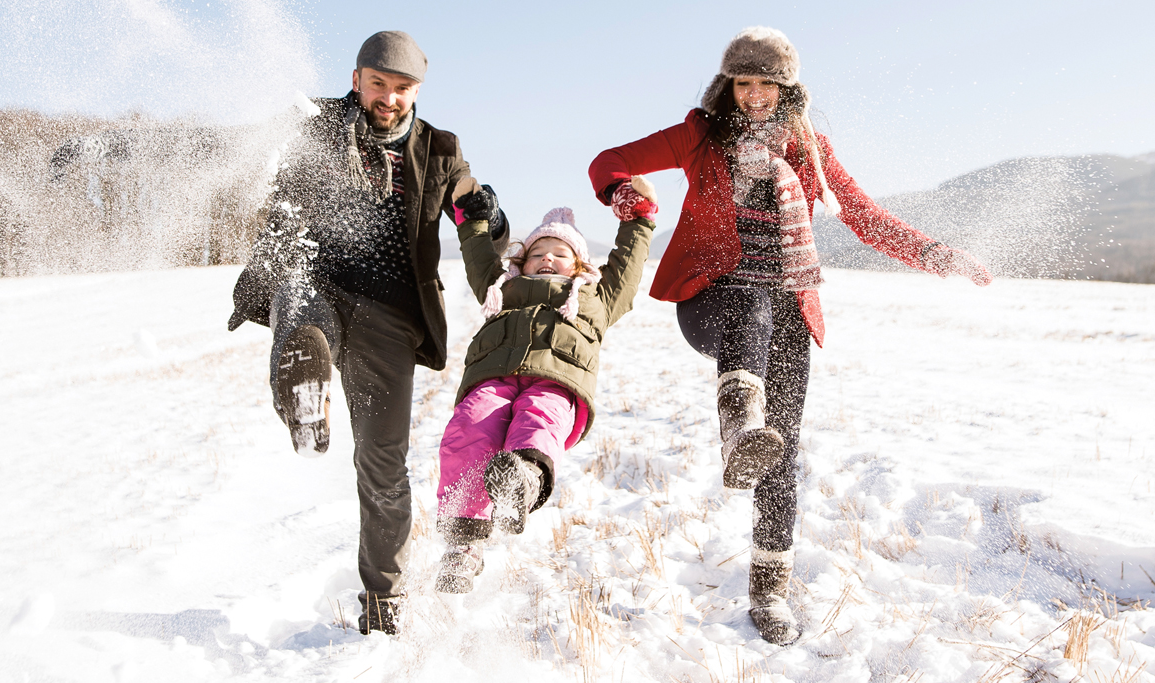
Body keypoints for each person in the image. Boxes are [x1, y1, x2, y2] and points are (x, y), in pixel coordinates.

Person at [588, 27, 992, 646]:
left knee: (782, 449)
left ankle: (769, 588)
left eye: (766, 84)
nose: (753, 96)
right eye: (742, 83)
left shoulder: (810, 148)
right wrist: (623, 195)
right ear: (727, 86)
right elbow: (609, 160)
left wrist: (939, 256)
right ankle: (737, 421)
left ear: (788, 88)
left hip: (790, 309)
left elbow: (862, 216)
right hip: (710, 299)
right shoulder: (700, 134)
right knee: (752, 298)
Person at [226, 31, 509, 635]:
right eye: (378, 83)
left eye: (402, 88)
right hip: (318, 278)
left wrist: (489, 218)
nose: (389, 98)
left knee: (382, 463)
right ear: (357, 80)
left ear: (417, 92)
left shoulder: (440, 150)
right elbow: (267, 178)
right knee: (300, 305)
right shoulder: (318, 125)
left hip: (391, 316)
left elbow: (472, 217)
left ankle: (385, 604)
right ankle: (303, 397)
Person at [431, 179, 657, 593]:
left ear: (579, 265)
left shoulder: (596, 297)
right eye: (537, 253)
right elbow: (478, 257)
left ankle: (522, 481)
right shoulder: (502, 288)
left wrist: (638, 221)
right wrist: (470, 216)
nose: (547, 258)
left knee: (538, 419)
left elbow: (626, 267)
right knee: (468, 426)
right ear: (522, 261)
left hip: (556, 381)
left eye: (559, 253)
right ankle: (463, 544)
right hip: (494, 378)